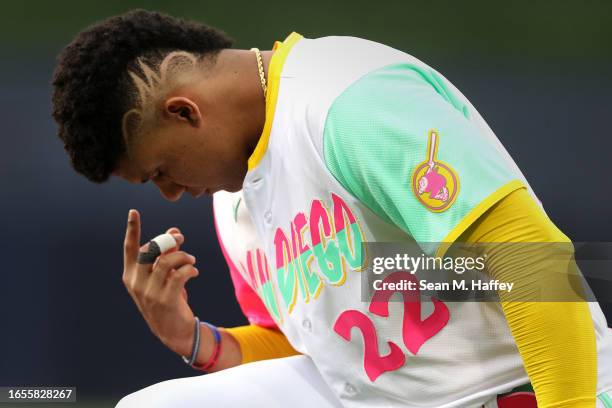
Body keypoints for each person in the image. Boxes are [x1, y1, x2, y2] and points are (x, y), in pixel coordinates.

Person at [51, 9, 612, 408]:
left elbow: (530, 262)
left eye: (160, 171)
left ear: (184, 112)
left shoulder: (346, 101)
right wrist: (197, 338)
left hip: (516, 388)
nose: (170, 193)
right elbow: (319, 353)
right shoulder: (235, 199)